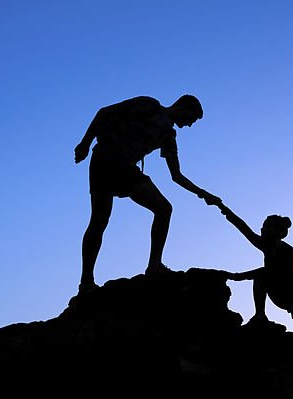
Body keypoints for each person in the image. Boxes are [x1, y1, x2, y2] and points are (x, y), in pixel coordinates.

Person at [74, 95, 220, 294]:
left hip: (127, 168)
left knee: (163, 208)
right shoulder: (149, 105)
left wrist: (203, 194)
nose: (190, 125)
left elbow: (176, 175)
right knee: (99, 220)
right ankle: (86, 282)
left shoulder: (169, 136)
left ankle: (154, 265)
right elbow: (105, 112)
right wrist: (85, 142)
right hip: (106, 159)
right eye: (192, 119)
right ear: (184, 106)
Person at [217, 202, 293, 354]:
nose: (262, 229)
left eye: (267, 226)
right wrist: (222, 208)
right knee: (261, 277)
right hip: (283, 295)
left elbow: (270, 272)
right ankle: (260, 315)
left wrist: (236, 276)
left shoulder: (286, 251)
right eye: (263, 225)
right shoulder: (267, 246)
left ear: (277, 231)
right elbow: (243, 227)